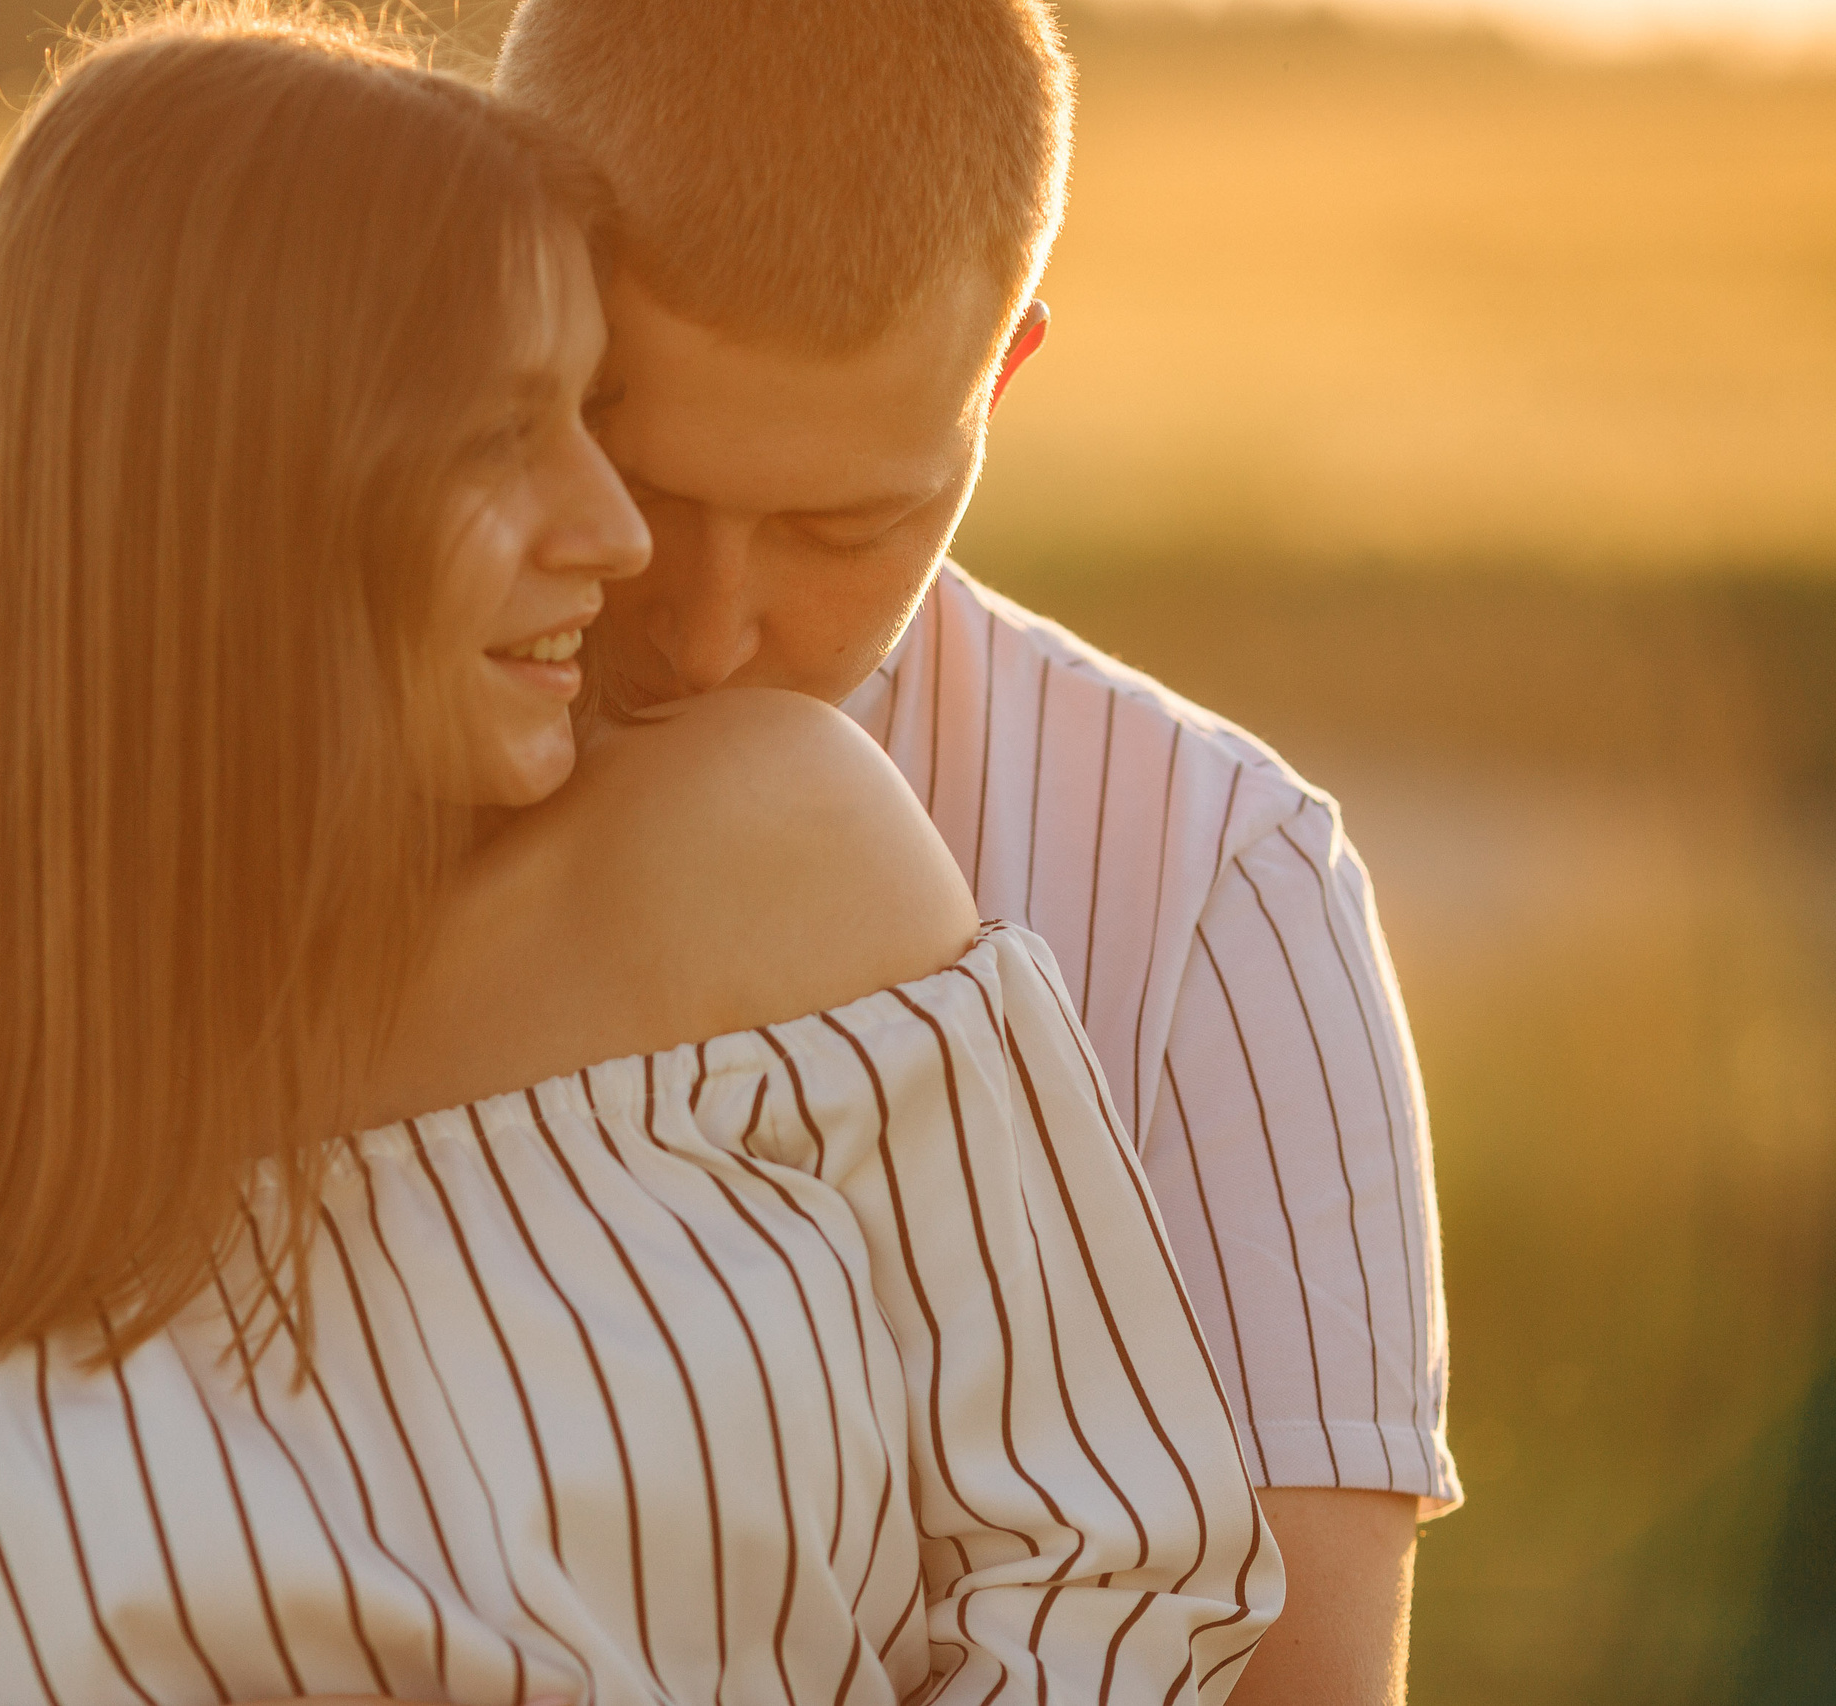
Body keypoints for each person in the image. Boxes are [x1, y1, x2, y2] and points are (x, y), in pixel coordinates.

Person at [0, 10, 1278, 1705]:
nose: (616, 532)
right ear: (222, 495)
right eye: (509, 436)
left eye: (591, 412)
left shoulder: (778, 866)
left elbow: (1123, 1577)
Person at [489, 2, 1461, 1702]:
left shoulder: (1212, 899)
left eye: (844, 525)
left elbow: (1294, 1678)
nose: (713, 633)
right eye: (643, 488)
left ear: (1003, 368)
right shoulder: (238, 791)